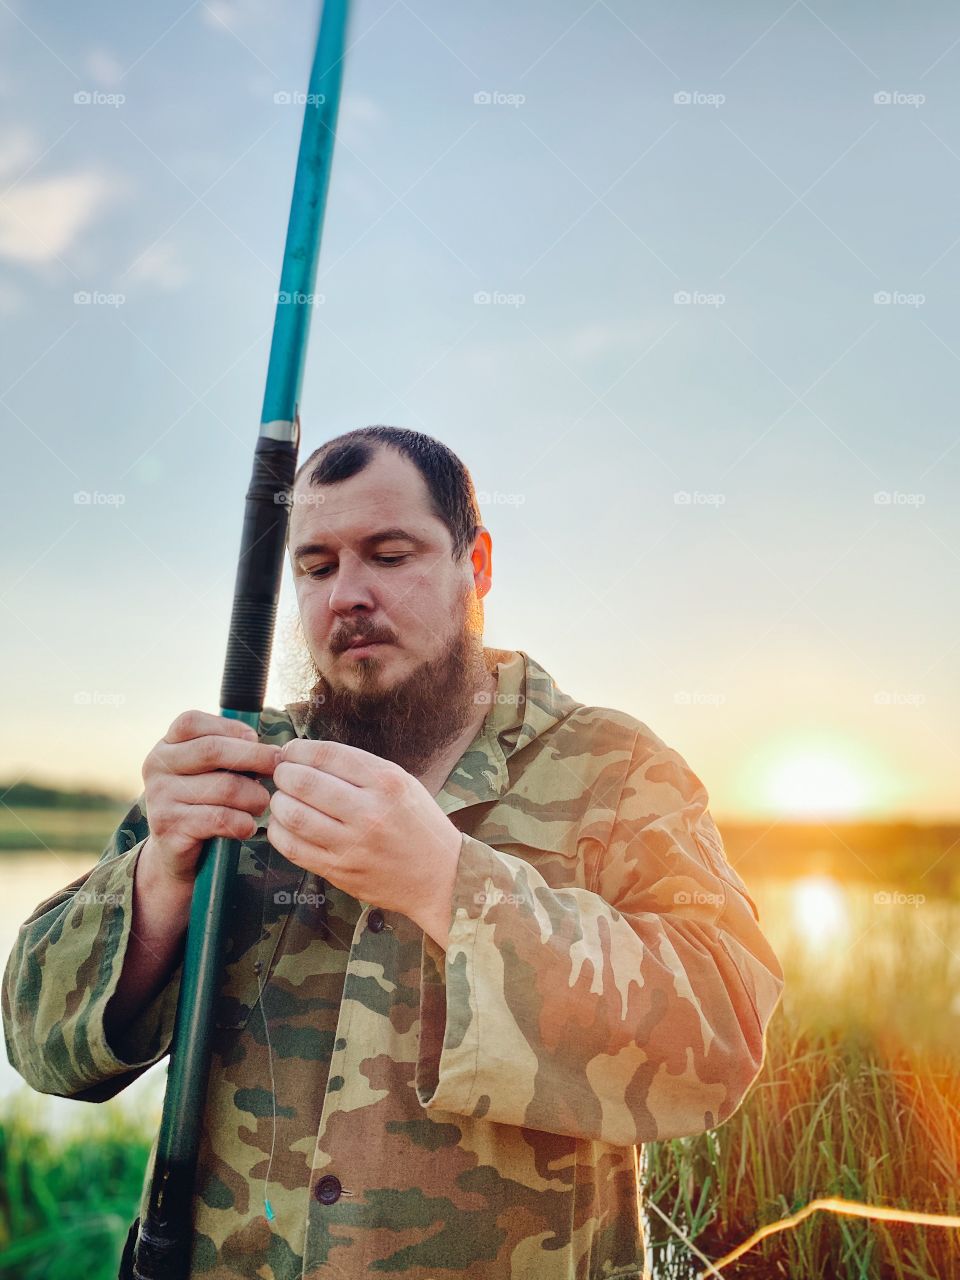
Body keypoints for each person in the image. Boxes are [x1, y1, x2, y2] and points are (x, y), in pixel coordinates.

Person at [2, 426, 784, 1280]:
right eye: (318, 566)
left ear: (475, 565)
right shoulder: (235, 764)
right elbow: (38, 1045)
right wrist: (158, 881)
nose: (348, 595)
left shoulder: (618, 768)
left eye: (389, 554)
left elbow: (721, 1038)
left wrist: (449, 882)